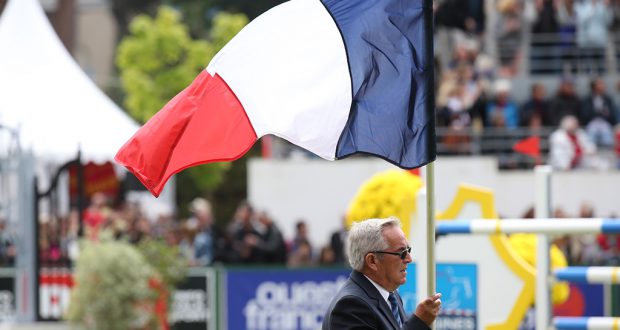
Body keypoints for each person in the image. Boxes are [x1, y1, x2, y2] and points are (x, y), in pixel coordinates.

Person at [322, 217, 441, 330]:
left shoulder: (391, 295)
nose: (409, 259)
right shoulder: (350, 306)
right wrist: (418, 322)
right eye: (401, 253)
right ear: (372, 261)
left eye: (408, 250)